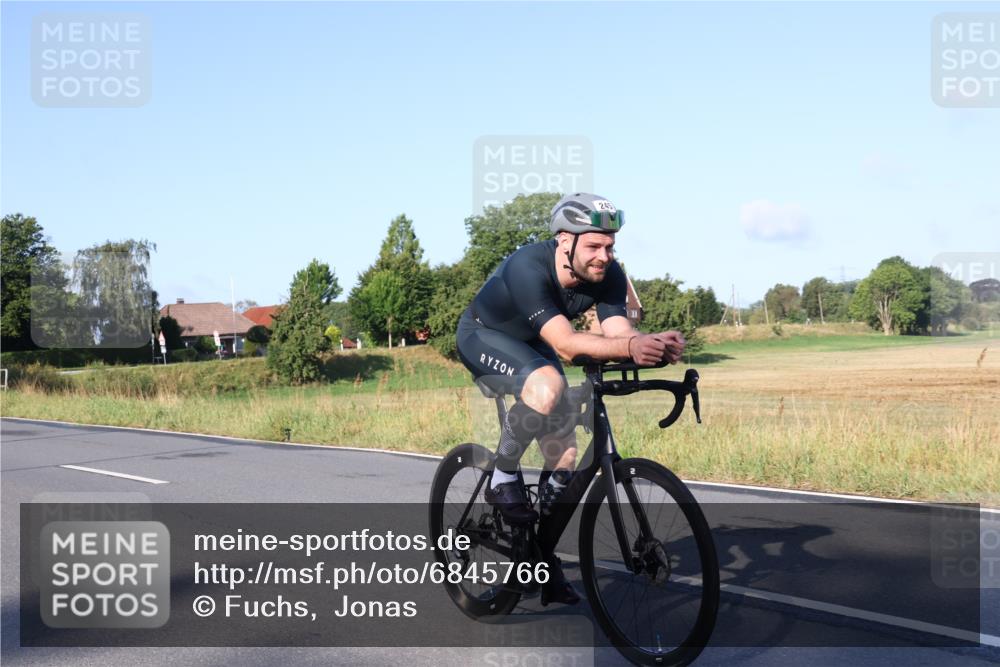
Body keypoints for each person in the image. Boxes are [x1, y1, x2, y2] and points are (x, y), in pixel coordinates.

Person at [455, 192, 686, 605]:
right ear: (565, 240)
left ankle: (539, 559)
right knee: (547, 385)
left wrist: (650, 344)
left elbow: (619, 334)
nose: (604, 256)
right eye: (594, 246)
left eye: (610, 246)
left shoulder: (609, 273)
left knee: (564, 455)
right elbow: (565, 345)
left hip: (534, 343)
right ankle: (502, 477)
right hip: (484, 335)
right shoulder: (528, 266)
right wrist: (629, 347)